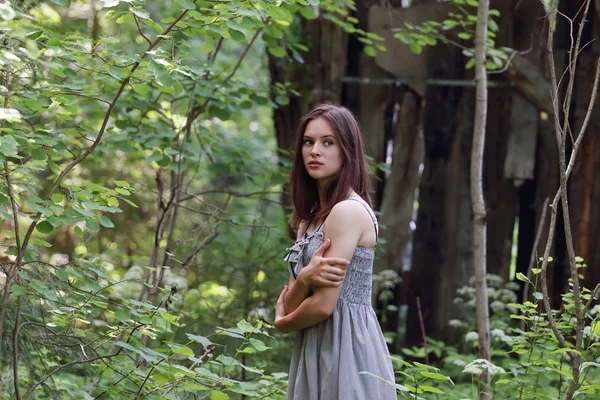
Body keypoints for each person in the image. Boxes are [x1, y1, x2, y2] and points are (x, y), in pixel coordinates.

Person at [274, 104, 396, 400]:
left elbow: (322, 306)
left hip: (346, 348)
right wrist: (304, 279)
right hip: (314, 345)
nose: (315, 150)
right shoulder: (309, 219)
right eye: (308, 142)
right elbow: (293, 300)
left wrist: (282, 324)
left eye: (328, 142)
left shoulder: (347, 212)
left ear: (347, 150)